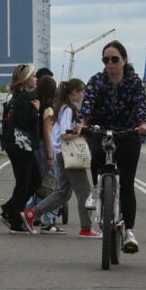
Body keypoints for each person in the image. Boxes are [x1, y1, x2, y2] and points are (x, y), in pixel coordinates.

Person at [74, 40, 146, 253]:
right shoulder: (96, 81)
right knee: (96, 152)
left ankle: (130, 232)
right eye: (106, 60)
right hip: (101, 129)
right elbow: (87, 105)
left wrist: (143, 124)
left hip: (127, 132)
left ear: (124, 60)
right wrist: (82, 124)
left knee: (127, 184)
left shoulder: (134, 82)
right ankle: (98, 191)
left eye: (115, 59)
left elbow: (140, 106)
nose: (110, 64)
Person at [33, 79, 95, 238]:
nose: (83, 95)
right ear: (74, 92)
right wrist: (79, 133)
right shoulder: (68, 109)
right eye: (82, 91)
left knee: (63, 193)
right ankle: (86, 228)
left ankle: (32, 214)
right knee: (85, 191)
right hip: (69, 154)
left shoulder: (61, 107)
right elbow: (64, 135)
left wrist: (74, 129)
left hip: (61, 154)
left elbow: (62, 130)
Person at [0, 64, 41, 233]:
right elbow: (23, 122)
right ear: (25, 79)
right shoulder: (24, 98)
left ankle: (10, 210)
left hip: (16, 144)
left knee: (32, 181)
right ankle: (14, 218)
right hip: (21, 145)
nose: (36, 79)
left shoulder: (13, 97)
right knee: (26, 183)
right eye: (33, 76)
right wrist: (35, 111)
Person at [27, 68, 60, 231]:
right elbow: (47, 134)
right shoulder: (48, 108)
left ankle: (28, 212)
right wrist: (50, 157)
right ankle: (46, 219)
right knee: (50, 184)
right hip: (45, 147)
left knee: (40, 183)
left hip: (35, 145)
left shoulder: (35, 103)